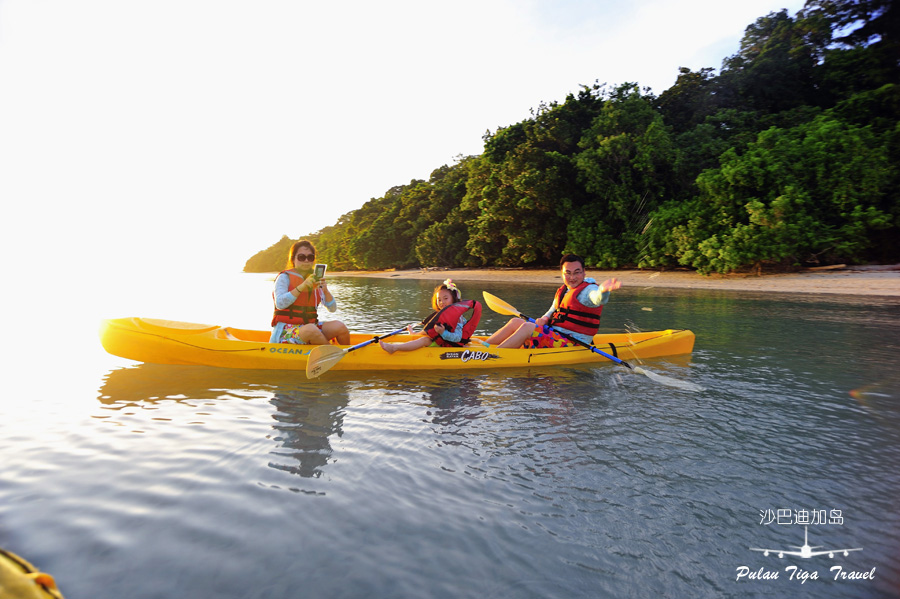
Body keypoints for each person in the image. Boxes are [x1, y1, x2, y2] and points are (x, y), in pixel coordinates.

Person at [485, 254, 621, 349]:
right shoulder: (564, 290)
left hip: (574, 343)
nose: (572, 277)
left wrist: (603, 290)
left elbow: (597, 299)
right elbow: (553, 309)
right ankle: (484, 347)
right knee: (516, 322)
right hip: (556, 334)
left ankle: (495, 355)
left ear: (584, 272)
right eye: (568, 273)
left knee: (527, 327)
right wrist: (544, 318)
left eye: (577, 272)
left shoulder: (588, 290)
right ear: (562, 273)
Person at [269, 240, 350, 345]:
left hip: (311, 327)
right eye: (302, 257)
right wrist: (302, 286)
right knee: (311, 330)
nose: (306, 261)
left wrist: (325, 290)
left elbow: (332, 308)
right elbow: (280, 303)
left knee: (340, 326)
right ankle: (334, 355)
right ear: (293, 259)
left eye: (310, 257)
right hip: (286, 331)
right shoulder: (284, 277)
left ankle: (350, 357)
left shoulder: (315, 278)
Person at [380, 279, 482, 354]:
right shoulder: (442, 315)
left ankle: (394, 348)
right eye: (439, 299)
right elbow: (429, 332)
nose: (442, 302)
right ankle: (399, 345)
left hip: (450, 346)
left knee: (424, 340)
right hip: (441, 342)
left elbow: (457, 337)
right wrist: (412, 332)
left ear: (454, 300)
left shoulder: (458, 318)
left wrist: (443, 332)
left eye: (445, 298)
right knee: (424, 337)